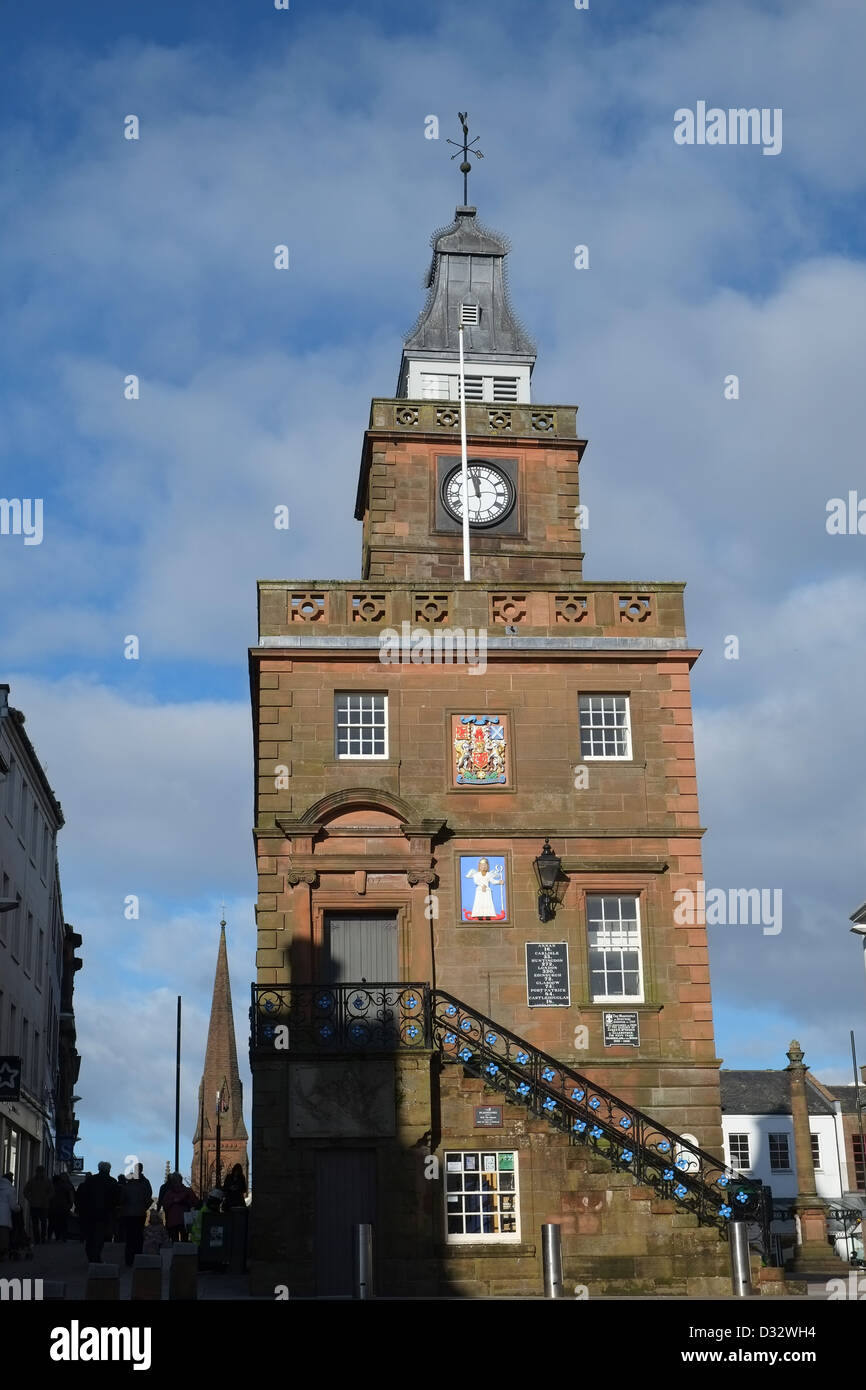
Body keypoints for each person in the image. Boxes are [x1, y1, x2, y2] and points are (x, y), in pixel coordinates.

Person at [75, 1161, 120, 1263]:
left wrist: (82, 1209)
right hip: (104, 1213)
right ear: (109, 1170)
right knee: (100, 1236)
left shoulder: (90, 1180)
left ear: (99, 1169)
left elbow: (81, 1196)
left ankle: (91, 1254)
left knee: (90, 1235)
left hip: (89, 1212)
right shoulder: (112, 1182)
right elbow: (116, 1199)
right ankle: (96, 1256)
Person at [121, 1163, 153, 1267]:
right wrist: (144, 1207)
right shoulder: (144, 1185)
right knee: (138, 1236)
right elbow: (149, 1198)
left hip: (128, 1214)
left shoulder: (127, 1185)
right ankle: (138, 1258)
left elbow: (121, 1200)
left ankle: (129, 1260)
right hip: (140, 1213)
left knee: (130, 1237)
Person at [158, 1172, 197, 1242]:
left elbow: (195, 1203)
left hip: (178, 1221)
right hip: (179, 1221)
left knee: (177, 1242)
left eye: (177, 1181)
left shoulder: (170, 1193)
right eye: (175, 1181)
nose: (176, 1183)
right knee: (182, 1241)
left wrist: (177, 1201)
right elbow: (195, 1203)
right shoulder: (187, 1191)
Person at [23, 1165, 53, 1244]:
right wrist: (30, 1199)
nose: (40, 1173)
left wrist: (47, 1198)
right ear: (37, 1172)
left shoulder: (47, 1181)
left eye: (41, 1171)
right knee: (35, 1223)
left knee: (43, 1223)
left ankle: (42, 1238)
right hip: (34, 1205)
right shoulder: (32, 1181)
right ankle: (37, 1239)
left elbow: (52, 1192)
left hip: (43, 1205)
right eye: (39, 1171)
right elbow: (25, 1191)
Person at [48, 1173, 73, 1243]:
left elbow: (48, 1197)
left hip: (53, 1208)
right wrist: (70, 1205)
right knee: (63, 1223)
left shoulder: (51, 1187)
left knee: (52, 1223)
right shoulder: (66, 1186)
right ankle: (63, 1237)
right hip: (63, 1207)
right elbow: (70, 1197)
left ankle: (51, 1237)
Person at [0, 1172, 19, 1261]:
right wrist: (18, 1208)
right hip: (4, 1218)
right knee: (4, 1237)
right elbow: (13, 1206)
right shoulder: (10, 1189)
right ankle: (3, 1253)